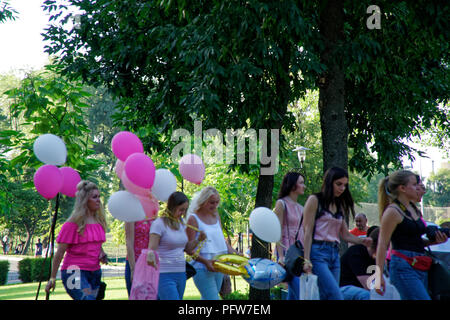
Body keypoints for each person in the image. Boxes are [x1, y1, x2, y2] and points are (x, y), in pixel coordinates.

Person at [301, 167, 372, 300]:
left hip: (335, 253)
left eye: (345, 185)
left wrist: (363, 241)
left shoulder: (340, 205)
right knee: (335, 295)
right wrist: (306, 259)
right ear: (329, 182)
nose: (342, 188)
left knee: (326, 296)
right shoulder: (315, 200)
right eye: (339, 184)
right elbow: (307, 231)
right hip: (318, 253)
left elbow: (345, 235)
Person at [375, 170, 448, 300]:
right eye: (414, 185)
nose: (418, 188)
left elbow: (415, 241)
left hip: (419, 263)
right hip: (403, 265)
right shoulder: (393, 211)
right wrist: (379, 275)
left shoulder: (414, 209)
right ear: (402, 188)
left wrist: (435, 241)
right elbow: (382, 244)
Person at [45, 181, 109, 300]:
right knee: (87, 298)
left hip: (95, 273)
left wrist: (102, 253)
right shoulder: (72, 224)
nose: (98, 200)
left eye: (99, 196)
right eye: (94, 197)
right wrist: (52, 278)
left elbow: (95, 244)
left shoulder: (99, 222)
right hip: (73, 272)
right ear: (85, 200)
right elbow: (59, 253)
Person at [146, 192, 206, 300]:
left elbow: (187, 248)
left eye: (185, 210)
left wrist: (198, 240)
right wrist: (150, 255)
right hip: (164, 273)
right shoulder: (159, 224)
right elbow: (152, 247)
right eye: (181, 209)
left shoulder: (181, 223)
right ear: (172, 207)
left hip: (180, 273)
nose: (183, 213)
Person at [186, 186, 237, 300]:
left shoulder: (216, 215)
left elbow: (221, 240)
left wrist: (234, 253)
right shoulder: (193, 219)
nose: (215, 205)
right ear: (203, 201)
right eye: (211, 202)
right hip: (202, 268)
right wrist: (206, 262)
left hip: (219, 266)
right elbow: (189, 249)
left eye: (217, 202)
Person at [273, 171, 306, 300]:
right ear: (293, 185)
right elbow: (277, 231)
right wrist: (280, 256)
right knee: (299, 292)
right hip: (287, 253)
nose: (304, 186)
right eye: (301, 183)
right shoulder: (281, 204)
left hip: (299, 253)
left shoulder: (301, 208)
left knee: (294, 293)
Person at [340, 227, 380, 300]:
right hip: (344, 288)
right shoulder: (356, 253)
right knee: (366, 295)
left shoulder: (377, 257)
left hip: (360, 289)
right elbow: (368, 285)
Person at [125, 217, 153, 296]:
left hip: (150, 263)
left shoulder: (152, 215)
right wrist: (133, 269)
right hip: (136, 262)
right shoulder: (131, 215)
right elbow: (129, 242)